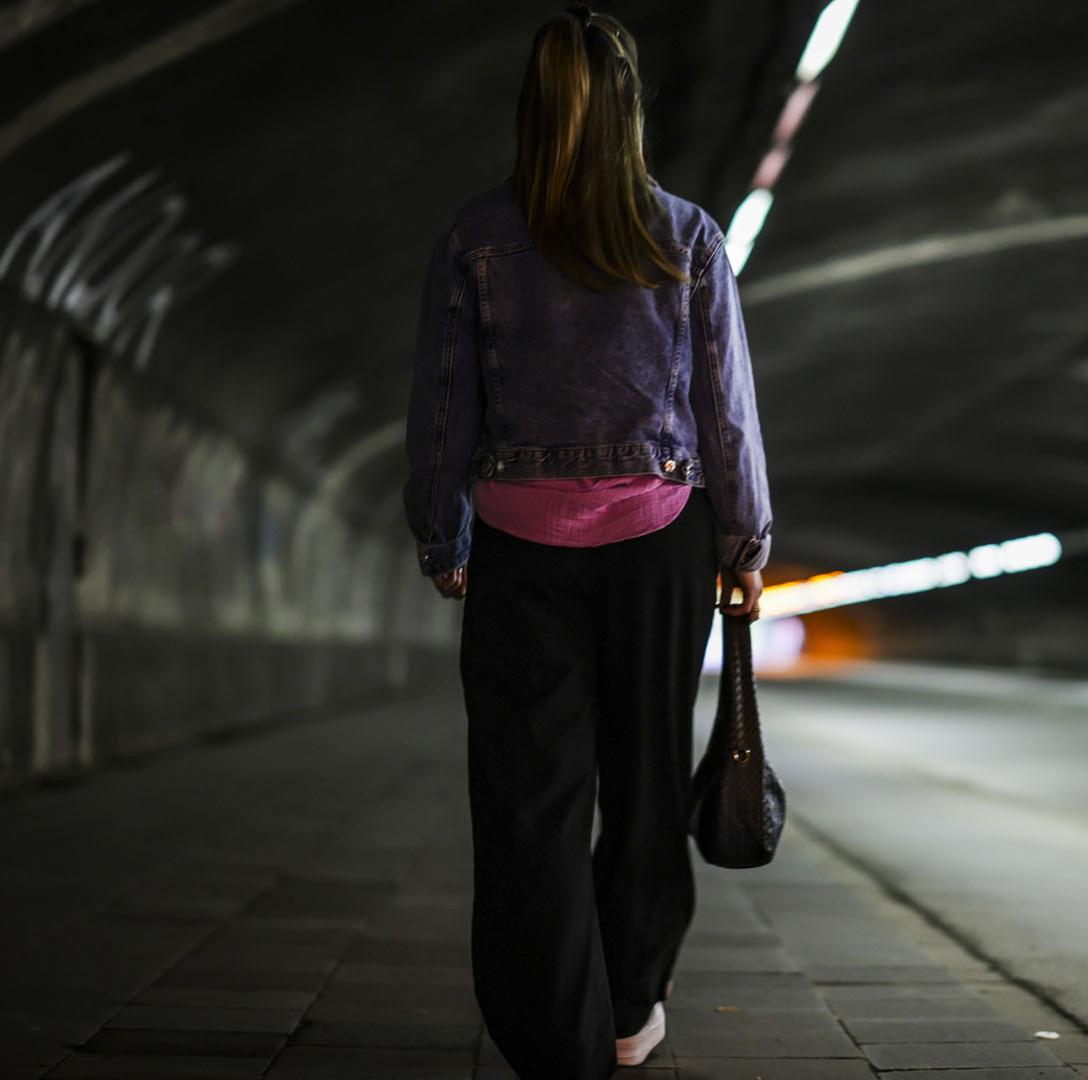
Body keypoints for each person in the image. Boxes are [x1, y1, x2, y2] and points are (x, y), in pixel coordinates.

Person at [400, 5, 773, 1076]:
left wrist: (445, 533)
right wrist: (744, 537)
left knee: (530, 803)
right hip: (660, 544)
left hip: (520, 551)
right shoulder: (686, 235)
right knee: (647, 782)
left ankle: (554, 1035)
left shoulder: (474, 238)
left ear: (534, 106)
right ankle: (630, 1005)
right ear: (629, 112)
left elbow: (441, 406)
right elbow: (724, 410)